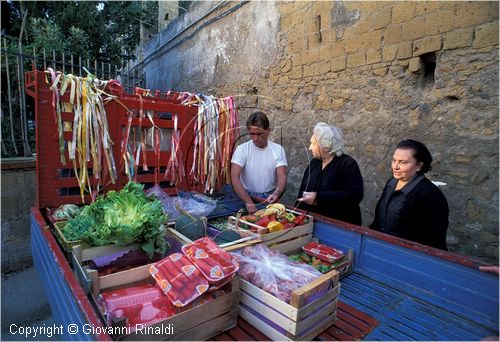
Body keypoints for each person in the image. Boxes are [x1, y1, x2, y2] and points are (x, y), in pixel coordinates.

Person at [369, 139, 449, 250]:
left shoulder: (430, 195)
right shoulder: (391, 182)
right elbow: (380, 221)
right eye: (394, 161)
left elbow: (433, 240)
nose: (395, 167)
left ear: (419, 166)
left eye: (403, 162)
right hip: (381, 248)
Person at [296, 122, 363, 225]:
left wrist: (319, 198)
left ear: (326, 146)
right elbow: (302, 191)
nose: (310, 148)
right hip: (310, 224)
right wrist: (296, 217)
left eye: (314, 144)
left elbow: (353, 195)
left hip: (337, 227)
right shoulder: (314, 163)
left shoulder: (347, 164)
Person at [231, 112, 288, 214]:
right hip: (245, 195)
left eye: (259, 134)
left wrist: (277, 193)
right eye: (252, 134)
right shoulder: (242, 149)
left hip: (269, 196)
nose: (255, 139)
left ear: (268, 131)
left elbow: (282, 176)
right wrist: (248, 202)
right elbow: (234, 176)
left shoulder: (278, 150)